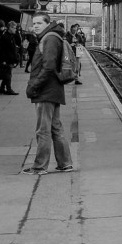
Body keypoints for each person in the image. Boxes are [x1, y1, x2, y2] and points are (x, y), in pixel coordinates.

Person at [22, 12, 73, 174]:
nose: (35, 26)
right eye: (34, 23)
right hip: (53, 89)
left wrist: (34, 86)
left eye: (39, 23)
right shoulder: (52, 37)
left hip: (46, 90)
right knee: (55, 127)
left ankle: (40, 166)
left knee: (43, 130)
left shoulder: (49, 39)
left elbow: (49, 66)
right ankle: (65, 163)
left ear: (47, 24)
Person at [0, 21, 21, 95]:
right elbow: (1, 50)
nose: (15, 29)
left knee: (7, 74)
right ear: (10, 28)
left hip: (10, 58)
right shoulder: (5, 37)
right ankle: (8, 89)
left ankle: (2, 89)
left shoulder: (11, 36)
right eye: (14, 28)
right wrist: (3, 60)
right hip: (7, 59)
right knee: (8, 75)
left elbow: (18, 43)